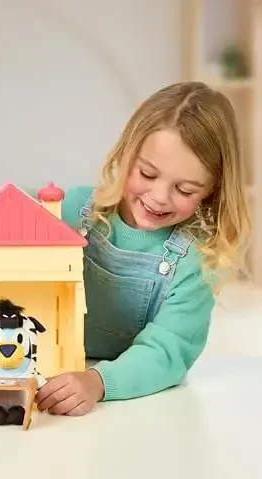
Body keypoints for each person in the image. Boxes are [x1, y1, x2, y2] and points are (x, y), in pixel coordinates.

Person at [35, 81, 251, 416]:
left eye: (185, 189)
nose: (159, 197)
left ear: (212, 189)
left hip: (131, 398)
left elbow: (167, 351)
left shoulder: (197, 261)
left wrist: (97, 382)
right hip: (44, 373)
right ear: (126, 153)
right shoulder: (73, 210)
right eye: (147, 174)